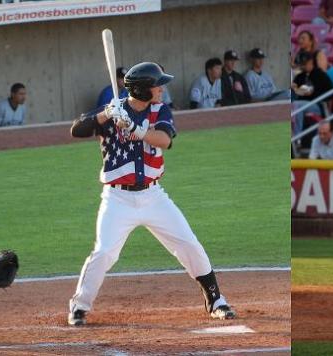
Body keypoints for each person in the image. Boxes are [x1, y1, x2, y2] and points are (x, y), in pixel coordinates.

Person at [67, 62, 236, 326]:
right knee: (104, 252)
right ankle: (79, 306)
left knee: (188, 243)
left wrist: (136, 129)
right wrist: (106, 115)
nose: (161, 89)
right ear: (143, 90)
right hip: (117, 199)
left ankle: (216, 299)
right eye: (157, 85)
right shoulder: (113, 109)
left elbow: (165, 140)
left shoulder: (160, 110)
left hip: (153, 196)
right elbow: (76, 129)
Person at [292, 51, 333, 136]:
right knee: (292, 104)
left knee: (295, 105)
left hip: (316, 104)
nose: (302, 66)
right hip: (301, 104)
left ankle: (296, 137)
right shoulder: (300, 76)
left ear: (310, 62)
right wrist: (295, 89)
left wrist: (313, 93)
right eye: (301, 64)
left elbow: (331, 92)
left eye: (304, 63)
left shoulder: (320, 74)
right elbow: (296, 91)